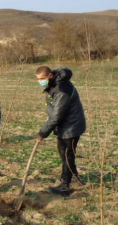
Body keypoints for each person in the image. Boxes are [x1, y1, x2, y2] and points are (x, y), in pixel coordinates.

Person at [35, 66, 86, 197]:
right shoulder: (55, 82)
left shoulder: (61, 91)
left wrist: (42, 133)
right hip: (65, 124)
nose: (40, 82)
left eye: (42, 79)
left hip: (71, 126)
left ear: (50, 76)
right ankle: (74, 176)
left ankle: (65, 185)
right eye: (38, 79)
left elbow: (57, 116)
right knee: (65, 153)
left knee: (67, 155)